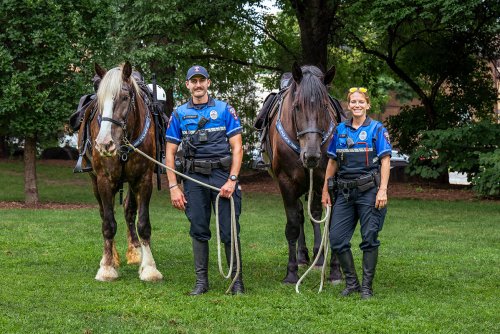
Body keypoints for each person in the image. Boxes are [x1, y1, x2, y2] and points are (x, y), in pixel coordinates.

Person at [165, 65, 245, 295]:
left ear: (208, 83)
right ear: (187, 85)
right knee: (199, 229)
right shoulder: (179, 114)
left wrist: (232, 179)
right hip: (193, 178)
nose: (198, 85)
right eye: (194, 81)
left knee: (229, 230)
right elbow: (169, 152)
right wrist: (173, 187)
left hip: (222, 177)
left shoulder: (224, 110)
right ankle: (202, 282)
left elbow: (237, 147)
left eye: (202, 80)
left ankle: (237, 281)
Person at [322, 87, 391, 299]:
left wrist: (382, 190)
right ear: (348, 105)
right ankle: (352, 283)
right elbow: (332, 161)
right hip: (344, 193)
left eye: (361, 102)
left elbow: (386, 161)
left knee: (369, 237)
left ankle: (367, 288)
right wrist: (325, 189)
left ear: (367, 105)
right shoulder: (340, 130)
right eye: (353, 102)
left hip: (370, 191)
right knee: (337, 239)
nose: (357, 105)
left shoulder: (377, 129)